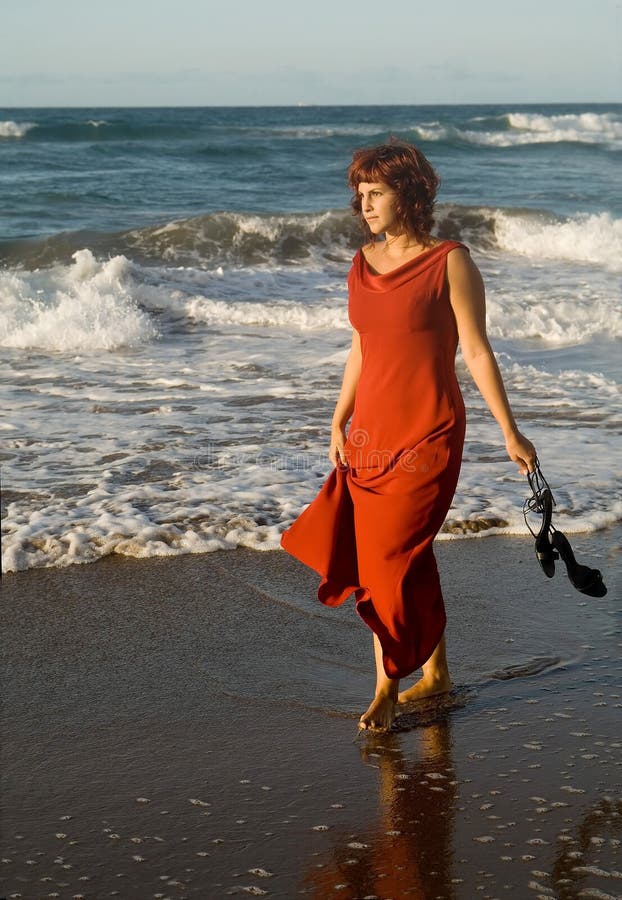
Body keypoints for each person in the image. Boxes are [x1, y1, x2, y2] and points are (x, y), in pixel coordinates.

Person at [280, 139, 536, 732]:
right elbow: (361, 348)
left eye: (376, 193)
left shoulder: (450, 261)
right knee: (403, 556)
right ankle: (437, 672)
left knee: (387, 560)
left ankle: (385, 690)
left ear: (409, 193)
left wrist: (510, 432)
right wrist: (338, 417)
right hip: (371, 432)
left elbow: (475, 349)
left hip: (429, 430)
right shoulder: (361, 264)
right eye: (360, 194)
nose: (364, 204)